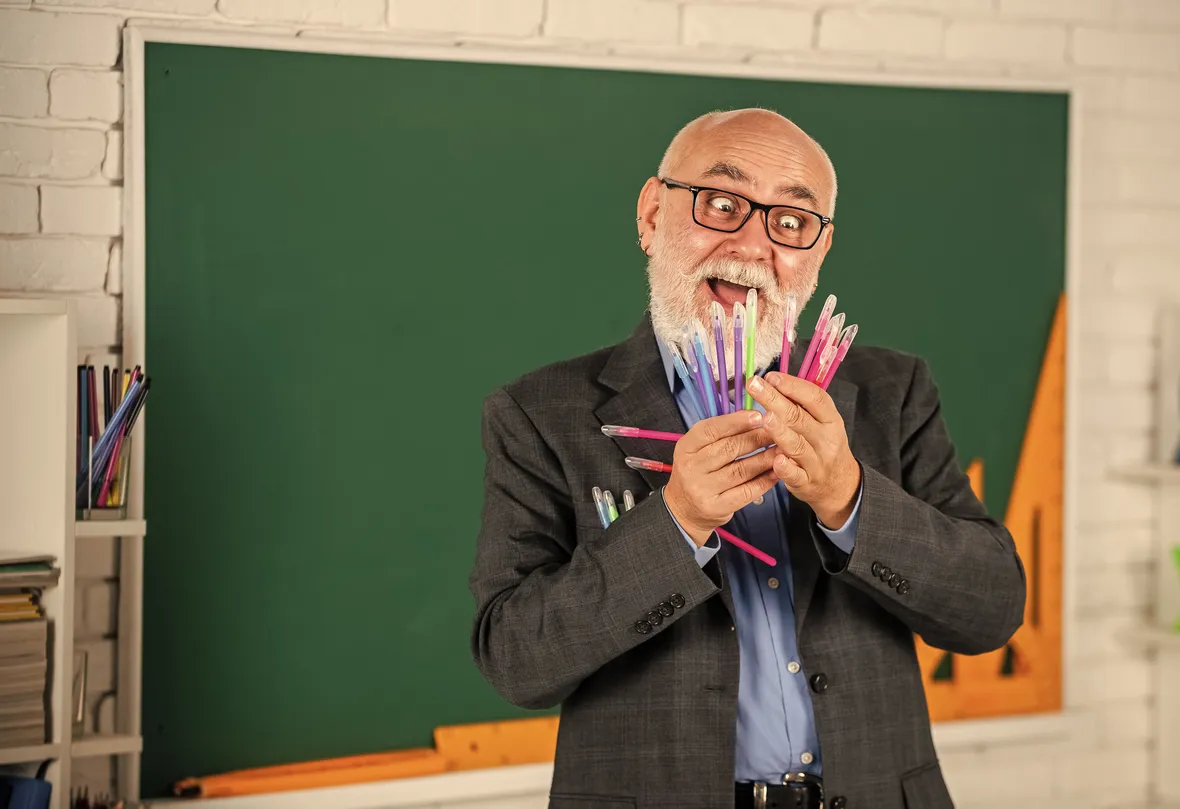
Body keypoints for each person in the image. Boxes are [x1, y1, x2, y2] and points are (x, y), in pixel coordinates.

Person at [468, 108, 1026, 809]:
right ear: (652, 215)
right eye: (722, 203)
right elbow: (516, 661)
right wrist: (676, 521)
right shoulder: (540, 413)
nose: (754, 244)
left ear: (818, 250)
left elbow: (990, 610)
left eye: (791, 221)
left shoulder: (892, 392)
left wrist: (848, 499)